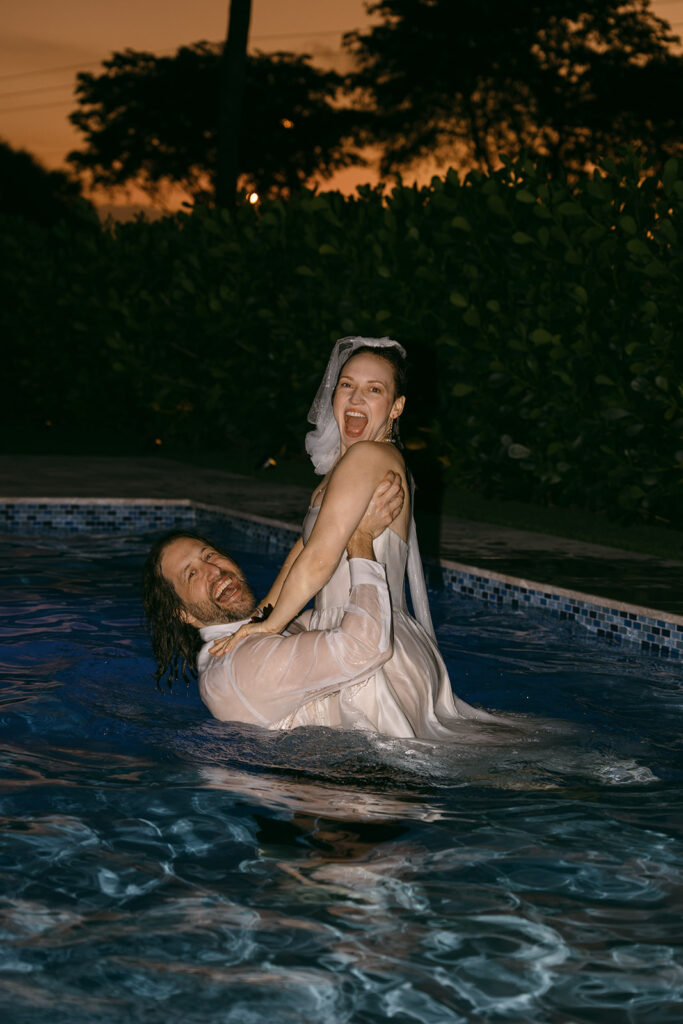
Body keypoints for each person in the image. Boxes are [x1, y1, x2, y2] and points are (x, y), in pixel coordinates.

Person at [211, 336, 505, 739]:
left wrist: (270, 628)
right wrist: (261, 616)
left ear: (396, 407)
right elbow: (300, 552)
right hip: (357, 631)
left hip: (367, 644)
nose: (355, 397)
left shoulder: (368, 457)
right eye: (347, 384)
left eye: (374, 389)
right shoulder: (343, 468)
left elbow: (320, 559)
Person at [141, 473, 404, 728]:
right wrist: (361, 537)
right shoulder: (244, 662)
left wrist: (331, 507)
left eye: (209, 556)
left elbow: (296, 595)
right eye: (192, 574)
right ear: (183, 613)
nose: (214, 571)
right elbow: (366, 646)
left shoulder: (238, 646)